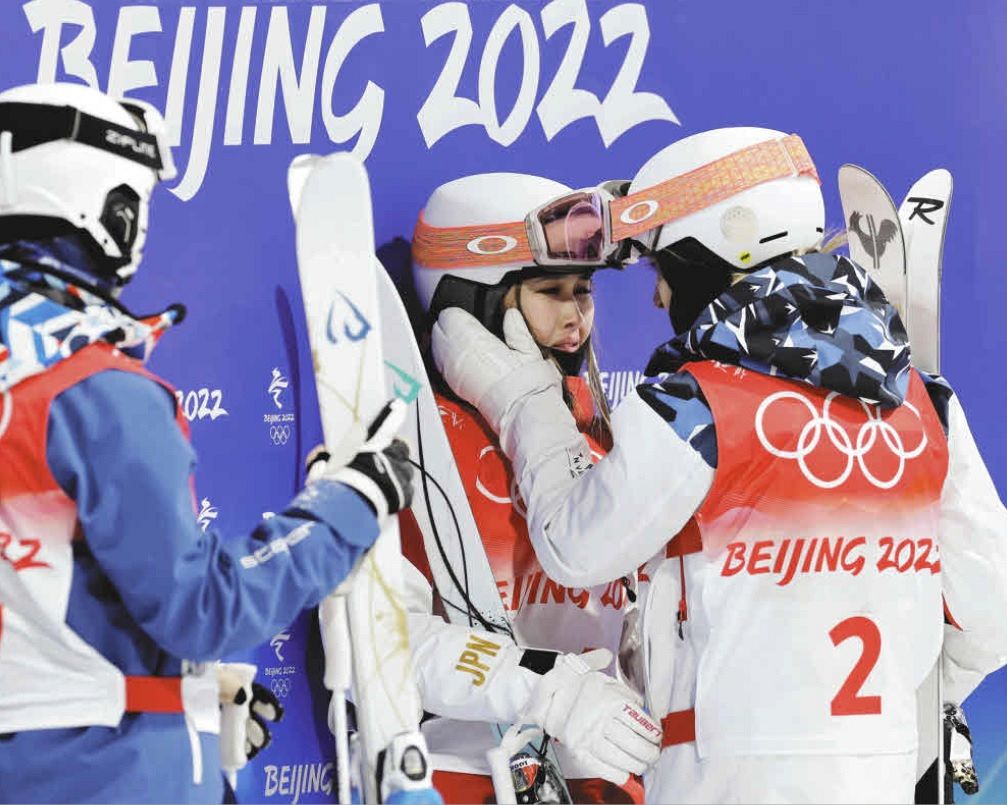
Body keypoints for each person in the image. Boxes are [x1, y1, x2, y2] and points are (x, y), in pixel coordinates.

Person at [430, 128, 1007, 803]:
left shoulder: (697, 405)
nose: (656, 298)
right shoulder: (928, 404)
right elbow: (991, 615)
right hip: (876, 774)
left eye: (662, 266)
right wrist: (899, 718)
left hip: (724, 778)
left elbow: (572, 545)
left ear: (719, 252)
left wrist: (526, 401)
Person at [0, 82, 413, 803]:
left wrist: (190, 700)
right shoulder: (96, 392)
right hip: (111, 774)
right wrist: (349, 503)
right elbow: (200, 609)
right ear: (109, 208)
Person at [399, 172, 661, 803]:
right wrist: (544, 686)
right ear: (476, 300)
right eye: (551, 291)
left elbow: (628, 628)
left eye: (585, 290)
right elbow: (389, 642)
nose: (578, 316)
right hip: (464, 775)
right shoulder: (416, 439)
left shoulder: (596, 435)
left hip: (605, 775)